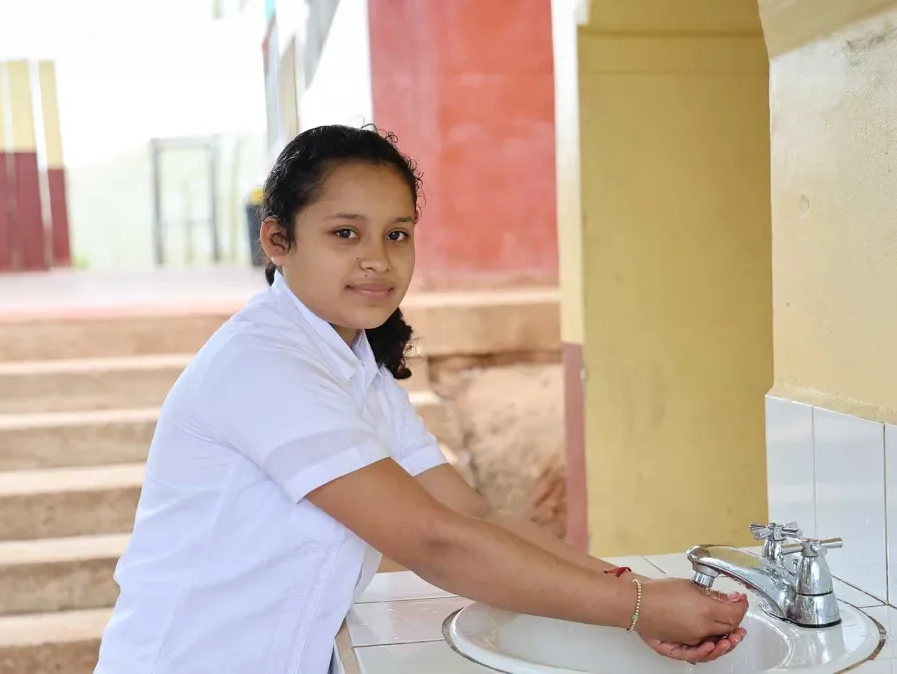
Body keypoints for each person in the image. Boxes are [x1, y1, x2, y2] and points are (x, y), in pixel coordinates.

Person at [93, 124, 748, 674]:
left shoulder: (355, 367)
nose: (377, 259)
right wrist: (636, 608)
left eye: (396, 233)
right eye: (345, 234)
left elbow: (468, 512)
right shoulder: (263, 364)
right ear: (277, 241)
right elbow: (433, 543)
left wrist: (636, 593)